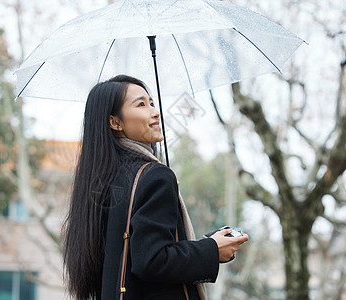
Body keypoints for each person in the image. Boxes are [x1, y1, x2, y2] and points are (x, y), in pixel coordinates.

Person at [63, 75, 249, 300]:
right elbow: (151, 260)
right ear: (115, 122)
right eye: (141, 104)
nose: (155, 111)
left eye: (151, 102)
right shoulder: (154, 176)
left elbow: (132, 255)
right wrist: (212, 250)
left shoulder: (101, 179)